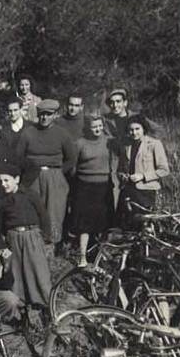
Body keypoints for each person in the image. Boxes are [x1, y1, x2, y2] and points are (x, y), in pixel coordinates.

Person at [15, 99, 76, 246]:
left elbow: (71, 158)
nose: (44, 117)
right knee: (33, 209)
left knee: (54, 212)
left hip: (54, 176)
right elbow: (18, 156)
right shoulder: (28, 133)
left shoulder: (62, 134)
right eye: (41, 114)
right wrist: (29, 170)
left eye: (48, 114)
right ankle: (32, 243)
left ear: (55, 115)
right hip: (32, 176)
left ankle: (51, 246)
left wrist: (59, 173)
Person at [0, 163, 52, 308]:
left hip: (31, 236)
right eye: (1, 181)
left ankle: (46, 305)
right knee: (16, 273)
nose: (3, 184)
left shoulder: (30, 194)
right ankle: (21, 306)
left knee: (38, 271)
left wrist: (46, 237)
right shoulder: (2, 201)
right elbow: (1, 223)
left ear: (17, 179)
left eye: (6, 180)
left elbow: (43, 215)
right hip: (13, 238)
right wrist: (5, 242)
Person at [70, 114, 116, 267]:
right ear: (88, 128)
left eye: (99, 126)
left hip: (104, 187)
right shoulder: (80, 143)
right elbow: (72, 167)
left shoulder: (108, 141)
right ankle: (82, 256)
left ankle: (100, 255)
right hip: (85, 188)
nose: (97, 129)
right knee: (85, 224)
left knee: (103, 223)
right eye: (94, 126)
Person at [116, 116, 170, 229]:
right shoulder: (126, 146)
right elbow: (120, 169)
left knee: (144, 225)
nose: (134, 132)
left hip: (146, 192)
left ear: (143, 129)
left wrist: (143, 176)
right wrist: (123, 176)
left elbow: (164, 170)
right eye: (131, 130)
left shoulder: (154, 144)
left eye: (137, 129)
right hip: (128, 191)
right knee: (126, 225)